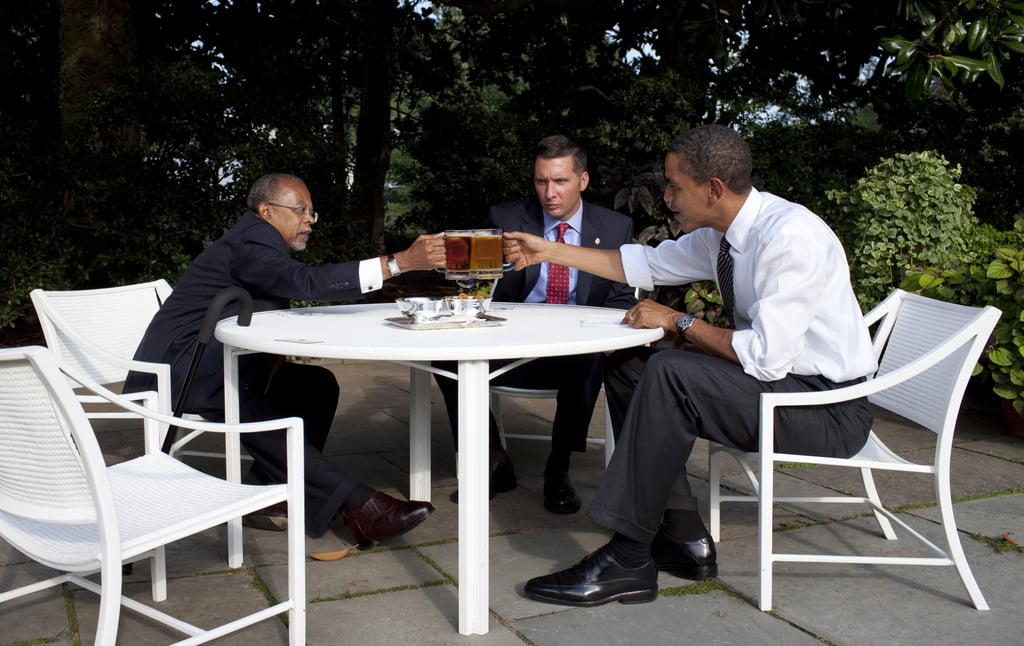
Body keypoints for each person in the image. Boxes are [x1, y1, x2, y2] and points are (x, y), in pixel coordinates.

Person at [502, 124, 878, 606]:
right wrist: (548, 250)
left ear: (713, 189)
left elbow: (764, 357)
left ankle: (629, 556)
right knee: (630, 364)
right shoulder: (724, 233)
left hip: (825, 409)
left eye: (675, 186)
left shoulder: (789, 237)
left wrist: (678, 320)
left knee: (669, 372)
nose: (667, 197)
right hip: (783, 388)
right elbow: (644, 265)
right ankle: (683, 539)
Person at [125, 173, 447, 546]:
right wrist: (399, 263)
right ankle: (361, 506)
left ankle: (268, 491)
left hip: (216, 360)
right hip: (186, 372)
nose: (309, 219)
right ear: (266, 211)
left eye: (312, 212)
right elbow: (304, 282)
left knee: (316, 385)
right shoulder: (254, 238)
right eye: (300, 210)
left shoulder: (258, 242)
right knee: (249, 402)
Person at [435, 135, 636, 513]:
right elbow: (482, 282)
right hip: (513, 344)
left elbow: (623, 299)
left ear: (583, 180)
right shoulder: (507, 219)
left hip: (575, 351)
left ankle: (558, 470)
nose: (549, 192)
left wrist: (604, 337)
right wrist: (465, 270)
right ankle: (492, 460)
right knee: (444, 357)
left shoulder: (614, 227)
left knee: (590, 358)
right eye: (541, 180)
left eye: (560, 181)